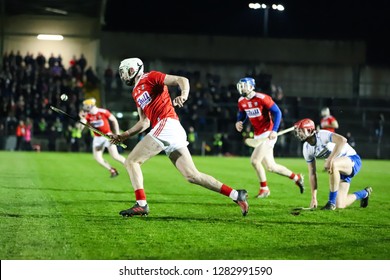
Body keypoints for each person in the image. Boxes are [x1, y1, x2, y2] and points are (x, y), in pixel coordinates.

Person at [110, 57, 248, 217]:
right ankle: (236, 195)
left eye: (124, 71)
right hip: (168, 128)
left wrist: (184, 95)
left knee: (132, 161)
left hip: (167, 125)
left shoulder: (150, 77)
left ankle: (141, 204)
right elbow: (144, 122)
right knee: (192, 175)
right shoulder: (135, 92)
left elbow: (181, 79)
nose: (122, 75)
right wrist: (123, 135)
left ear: (133, 69)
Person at [235, 77, 304, 198]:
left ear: (251, 86)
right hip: (258, 134)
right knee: (271, 167)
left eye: (244, 85)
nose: (242, 88)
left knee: (255, 161)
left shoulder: (262, 98)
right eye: (241, 85)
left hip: (268, 134)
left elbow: (277, 112)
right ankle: (297, 177)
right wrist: (239, 121)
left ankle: (264, 189)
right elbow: (242, 113)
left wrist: (274, 131)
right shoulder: (241, 100)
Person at [293, 118, 372, 210]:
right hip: (338, 168)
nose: (298, 134)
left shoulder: (321, 135)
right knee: (341, 205)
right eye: (298, 131)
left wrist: (330, 159)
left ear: (310, 130)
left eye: (301, 131)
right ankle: (364, 193)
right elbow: (312, 174)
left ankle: (331, 203)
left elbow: (342, 140)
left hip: (352, 160)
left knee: (333, 163)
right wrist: (313, 198)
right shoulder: (306, 148)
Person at [79, 98, 126, 178]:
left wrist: (117, 133)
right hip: (97, 138)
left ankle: (130, 165)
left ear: (91, 105)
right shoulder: (87, 115)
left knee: (115, 156)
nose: (84, 108)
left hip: (108, 135)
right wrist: (82, 118)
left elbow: (114, 120)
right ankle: (112, 170)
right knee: (97, 158)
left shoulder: (103, 112)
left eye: (86, 106)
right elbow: (80, 128)